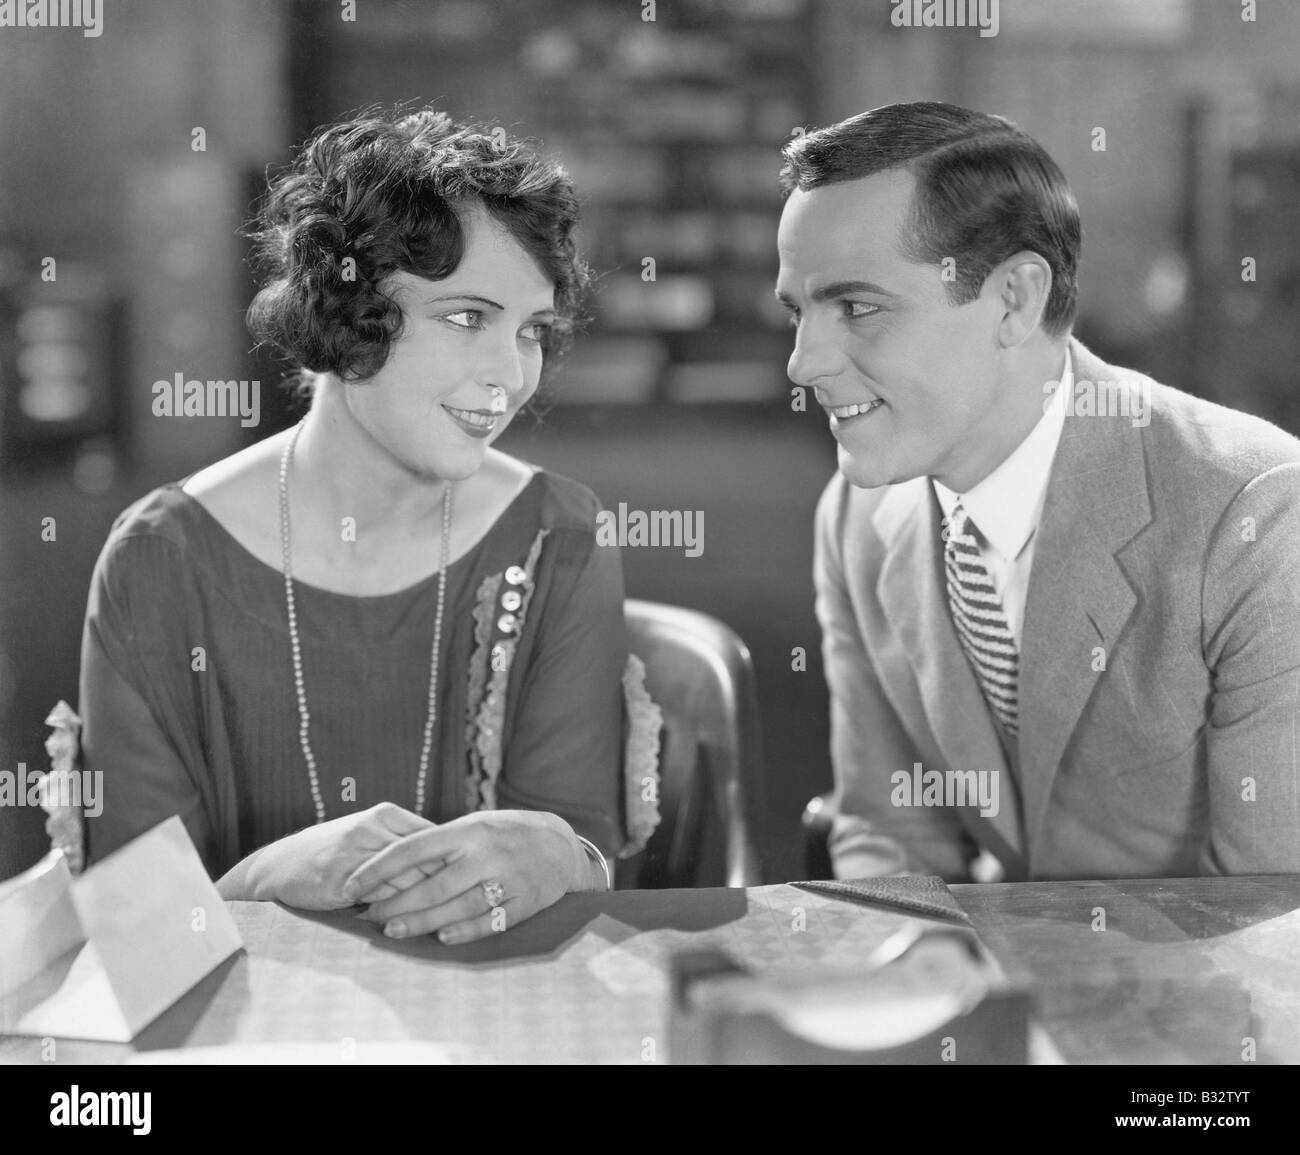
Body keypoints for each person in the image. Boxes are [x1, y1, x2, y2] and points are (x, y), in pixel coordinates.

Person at [78, 107, 660, 943]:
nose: (509, 375)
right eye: (468, 317)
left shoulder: (557, 538)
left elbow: (583, 854)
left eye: (531, 331)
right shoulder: (160, 559)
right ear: (347, 314)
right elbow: (130, 931)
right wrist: (266, 876)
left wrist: (565, 857)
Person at [779, 102, 1300, 883]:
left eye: (856, 307)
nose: (802, 362)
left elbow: (1271, 915)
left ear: (1015, 301)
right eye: (798, 311)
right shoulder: (857, 517)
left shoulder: (1255, 512)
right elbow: (889, 834)